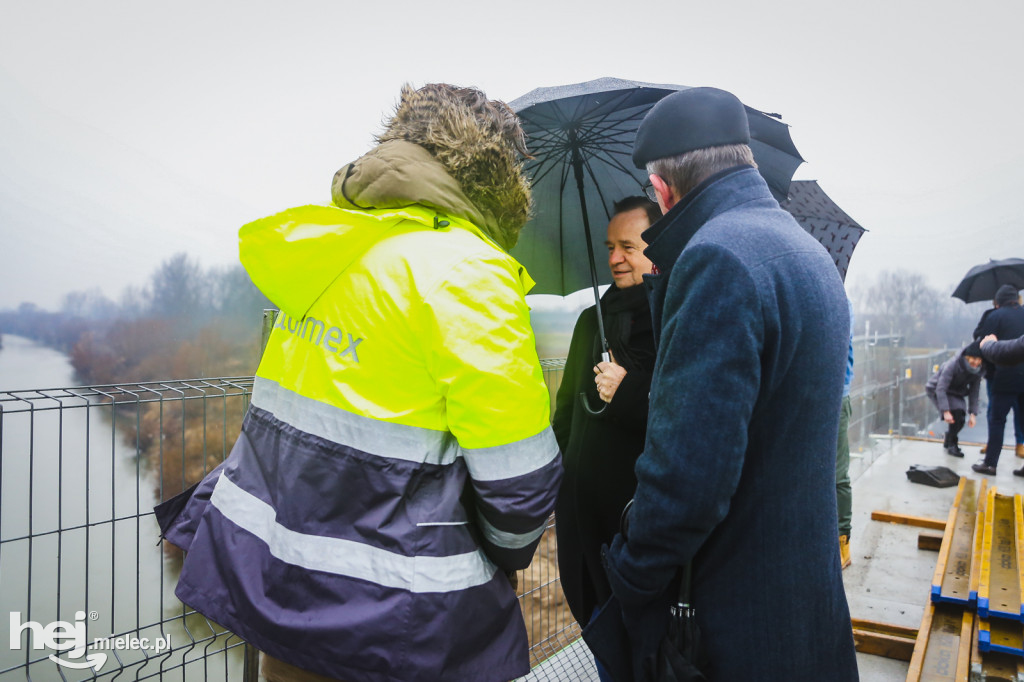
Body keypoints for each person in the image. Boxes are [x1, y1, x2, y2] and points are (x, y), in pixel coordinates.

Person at [155, 83, 562, 682]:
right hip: (397, 619)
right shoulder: (470, 274)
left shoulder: (334, 251)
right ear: (499, 177)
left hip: (276, 586)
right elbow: (519, 487)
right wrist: (503, 555)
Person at [599, 87, 858, 681]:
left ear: (662, 189)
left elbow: (690, 473)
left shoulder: (716, 258)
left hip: (737, 613)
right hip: (800, 597)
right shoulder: (803, 249)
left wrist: (632, 575)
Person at [553, 196, 659, 675]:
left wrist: (628, 389)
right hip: (582, 524)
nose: (614, 258)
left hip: (637, 530)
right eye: (610, 247)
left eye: (628, 247)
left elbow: (682, 420)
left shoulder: (672, 322)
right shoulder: (588, 322)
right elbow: (566, 416)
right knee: (603, 644)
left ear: (656, 251)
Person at [973, 285, 1024, 476]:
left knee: (997, 419)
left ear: (998, 301)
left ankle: (990, 464)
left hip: (1004, 376)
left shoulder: (995, 316)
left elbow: (981, 341)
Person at [925, 341, 983, 457]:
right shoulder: (953, 365)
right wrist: (945, 411)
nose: (976, 362)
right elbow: (941, 388)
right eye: (973, 358)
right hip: (937, 388)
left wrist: (972, 414)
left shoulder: (977, 370)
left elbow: (974, 392)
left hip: (956, 391)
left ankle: (949, 438)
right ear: (967, 357)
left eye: (979, 359)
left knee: (961, 419)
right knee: (956, 413)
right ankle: (952, 444)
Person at [837, 298, 855, 569]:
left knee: (836, 475)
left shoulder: (840, 301)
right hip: (816, 395)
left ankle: (842, 542)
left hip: (834, 397)